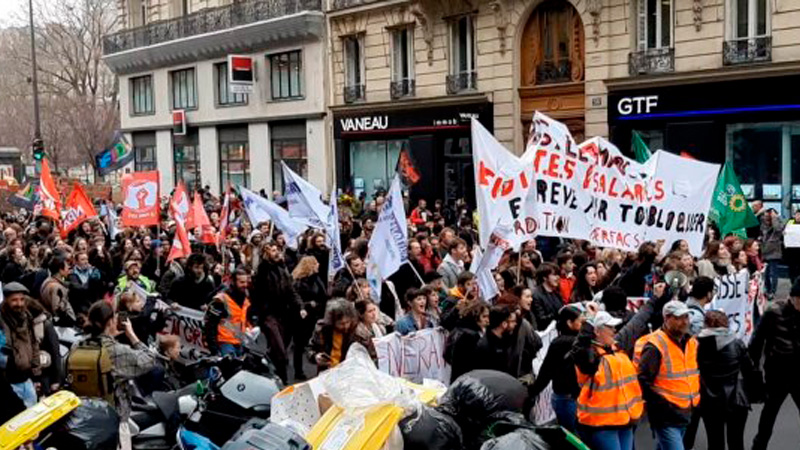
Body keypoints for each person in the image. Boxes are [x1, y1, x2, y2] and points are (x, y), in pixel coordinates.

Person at [573, 285, 668, 449]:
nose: (614, 329)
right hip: (602, 424)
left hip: (625, 420)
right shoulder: (590, 356)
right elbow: (580, 348)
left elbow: (637, 321)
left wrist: (655, 299)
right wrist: (588, 322)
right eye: (609, 327)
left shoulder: (617, 347)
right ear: (597, 331)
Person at [85, 300, 157, 449]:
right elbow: (149, 360)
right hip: (114, 419)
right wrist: (131, 335)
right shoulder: (116, 351)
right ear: (110, 322)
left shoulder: (78, 345)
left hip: (85, 417)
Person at [634, 300, 700, 450]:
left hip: (685, 412)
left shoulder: (691, 342)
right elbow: (643, 380)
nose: (684, 322)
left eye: (686, 317)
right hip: (666, 416)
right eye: (678, 318)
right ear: (666, 319)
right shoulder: (655, 346)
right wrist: (662, 405)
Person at [697, 310, 760, 450]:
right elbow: (749, 371)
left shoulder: (697, 346)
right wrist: (756, 393)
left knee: (714, 442)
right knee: (736, 442)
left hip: (709, 400)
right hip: (736, 399)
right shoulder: (737, 344)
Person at [749, 278, 800, 450]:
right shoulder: (773, 312)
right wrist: (754, 369)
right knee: (770, 413)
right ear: (792, 297)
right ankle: (759, 446)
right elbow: (757, 342)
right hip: (778, 372)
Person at [530, 304, 584, 432]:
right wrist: (532, 392)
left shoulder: (562, 342)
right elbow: (546, 372)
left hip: (567, 397)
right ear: (570, 323)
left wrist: (532, 392)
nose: (584, 325)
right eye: (581, 322)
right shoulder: (567, 343)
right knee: (574, 437)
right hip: (568, 398)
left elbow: (546, 372)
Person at [253, 242, 303, 382]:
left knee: (280, 347)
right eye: (273, 250)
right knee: (280, 352)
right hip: (269, 315)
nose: (276, 253)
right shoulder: (263, 270)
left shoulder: (282, 269)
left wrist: (300, 306)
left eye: (277, 250)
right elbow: (259, 283)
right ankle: (283, 380)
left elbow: (290, 290)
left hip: (284, 314)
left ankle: (269, 365)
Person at [0, 282, 43, 407]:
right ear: (6, 299)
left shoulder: (26, 317)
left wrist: (36, 375)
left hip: (26, 379)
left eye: (22, 299)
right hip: (9, 383)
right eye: (14, 300)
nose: (19, 304)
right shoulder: (1, 322)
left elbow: (34, 344)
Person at [307, 299, 375, 370]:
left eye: (347, 322)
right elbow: (311, 348)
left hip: (350, 373)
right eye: (341, 324)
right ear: (332, 321)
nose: (346, 326)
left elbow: (369, 353)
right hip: (327, 372)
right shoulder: (322, 329)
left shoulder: (357, 330)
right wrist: (315, 356)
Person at [292, 256, 328, 381]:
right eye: (316, 263)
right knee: (300, 345)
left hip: (316, 316)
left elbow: (323, 296)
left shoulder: (317, 279)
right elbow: (296, 300)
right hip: (303, 318)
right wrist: (308, 304)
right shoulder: (299, 282)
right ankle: (298, 370)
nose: (318, 264)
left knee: (316, 344)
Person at [204, 268, 252, 357]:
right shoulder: (221, 300)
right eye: (241, 282)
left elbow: (244, 320)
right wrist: (214, 350)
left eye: (246, 282)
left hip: (240, 342)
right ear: (233, 282)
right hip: (225, 343)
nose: (245, 285)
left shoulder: (246, 298)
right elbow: (210, 325)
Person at [444, 299, 489, 382]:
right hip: (468, 380)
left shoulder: (457, 329)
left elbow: (446, 355)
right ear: (475, 316)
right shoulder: (472, 336)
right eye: (484, 316)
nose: (487, 320)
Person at [474, 305, 514, 373]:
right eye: (510, 321)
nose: (514, 324)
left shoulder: (506, 340)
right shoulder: (485, 346)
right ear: (504, 324)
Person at [40, 252, 77, 326]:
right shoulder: (56, 287)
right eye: (67, 267)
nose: (69, 269)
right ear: (61, 269)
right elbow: (58, 311)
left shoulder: (48, 280)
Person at [760, 208, 783, 298]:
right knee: (766, 272)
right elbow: (763, 232)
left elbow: (777, 229)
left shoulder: (779, 221)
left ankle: (773, 291)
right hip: (765, 249)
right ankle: (767, 289)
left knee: (774, 272)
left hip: (774, 251)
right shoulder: (764, 223)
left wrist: (774, 218)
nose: (767, 216)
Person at [531, 263, 563, 328]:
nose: (558, 277)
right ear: (545, 277)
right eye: (554, 275)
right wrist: (557, 314)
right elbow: (541, 319)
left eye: (558, 275)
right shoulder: (536, 295)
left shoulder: (557, 293)